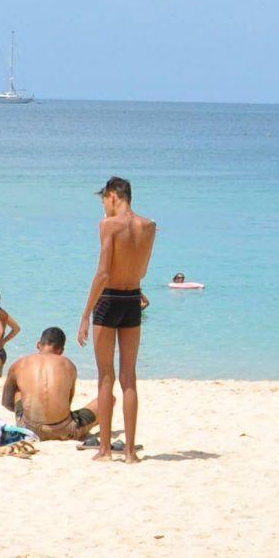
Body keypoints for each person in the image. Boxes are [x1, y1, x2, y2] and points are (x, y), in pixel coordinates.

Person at [79, 176, 157, 463]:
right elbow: (142, 270)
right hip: (132, 299)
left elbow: (103, 273)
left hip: (109, 299)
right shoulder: (149, 226)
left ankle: (105, 450)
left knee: (105, 376)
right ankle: (130, 453)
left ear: (113, 196)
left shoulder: (108, 225)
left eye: (104, 202)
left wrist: (85, 314)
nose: (104, 208)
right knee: (129, 378)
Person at [1, 327, 95, 443]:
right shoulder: (68, 365)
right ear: (61, 350)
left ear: (38, 344)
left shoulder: (19, 364)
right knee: (108, 399)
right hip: (65, 430)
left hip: (28, 429)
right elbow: (68, 402)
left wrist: (27, 409)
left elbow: (6, 402)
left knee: (18, 391)